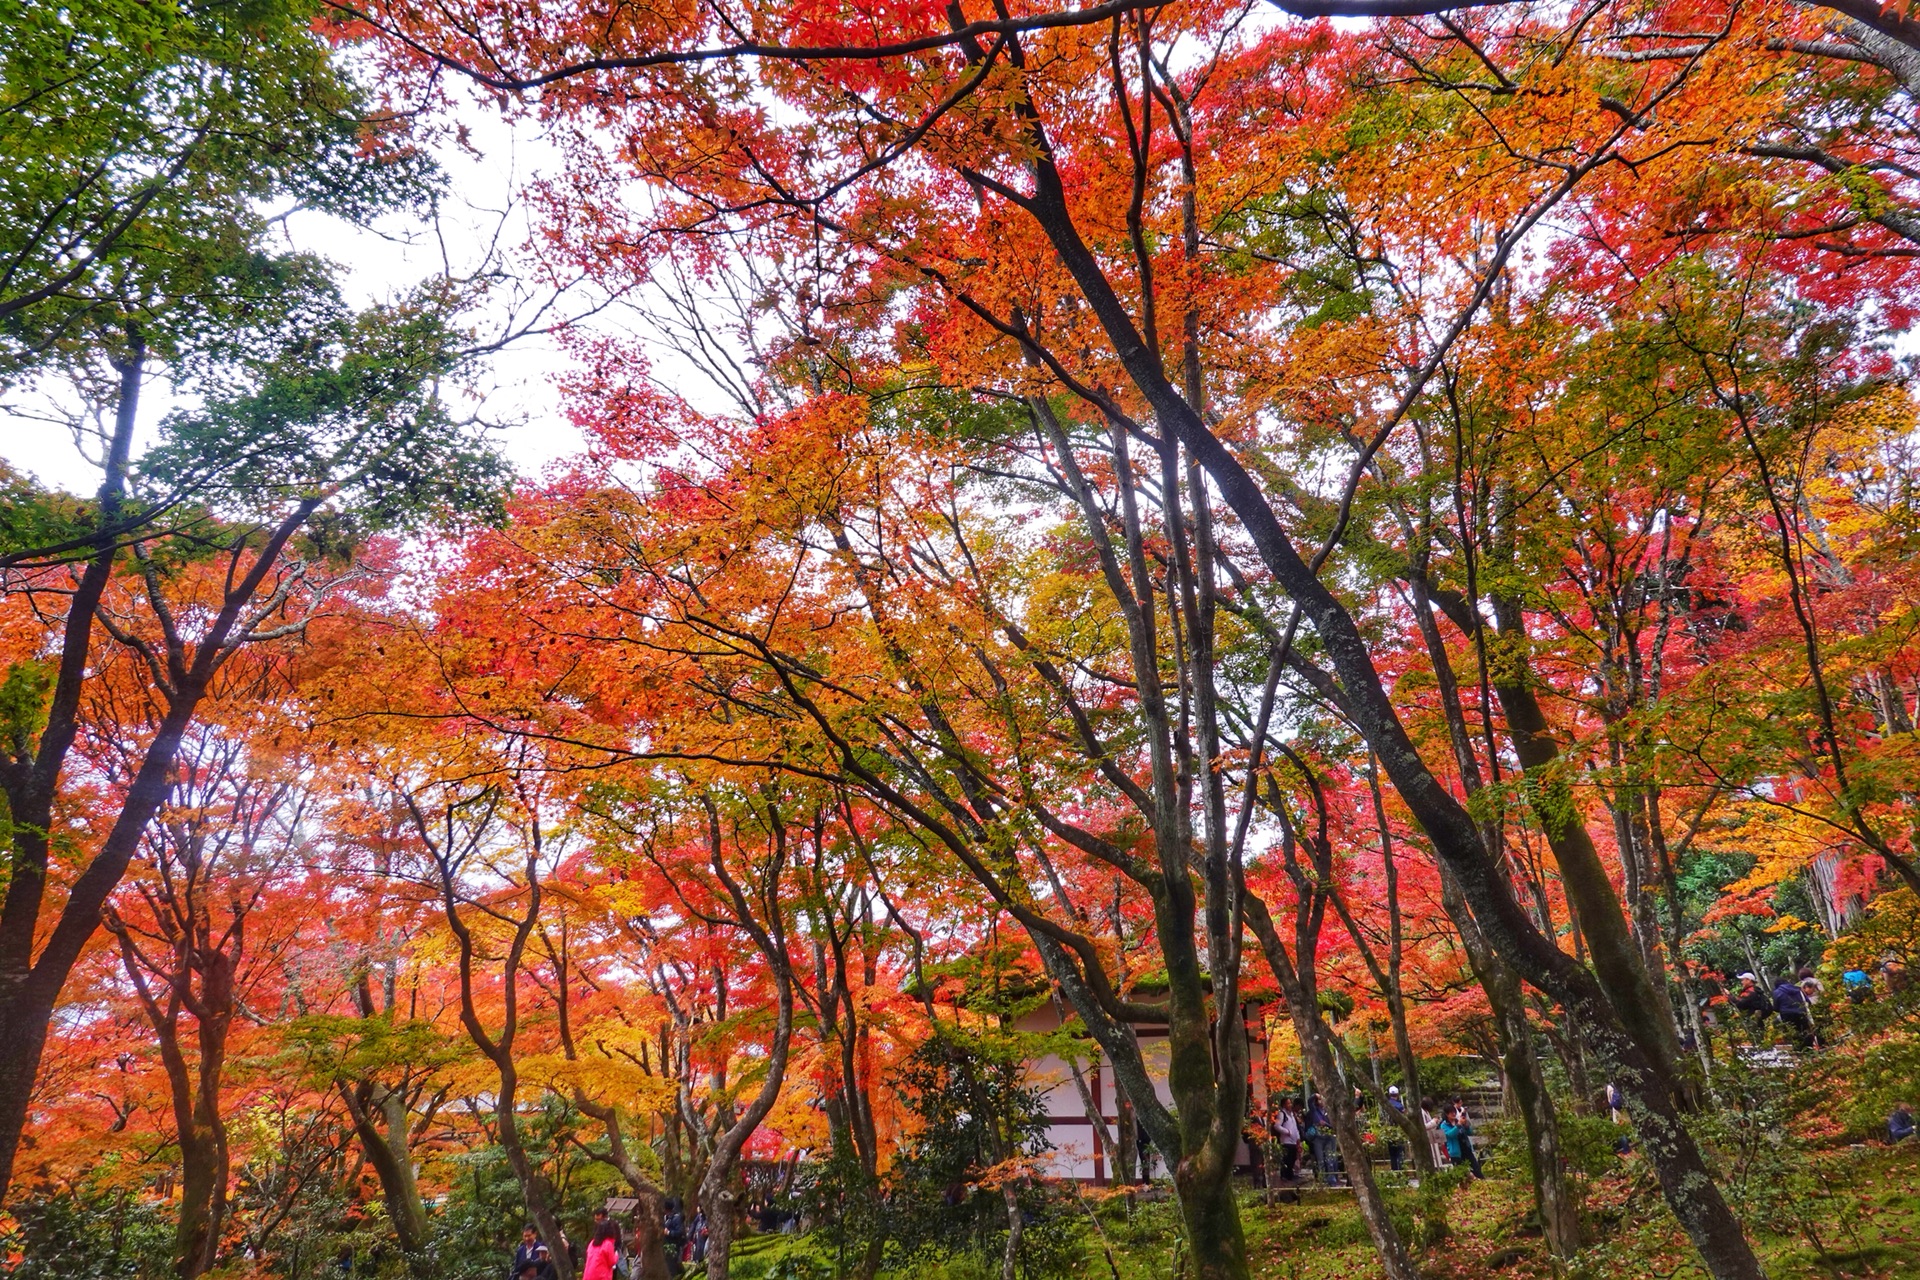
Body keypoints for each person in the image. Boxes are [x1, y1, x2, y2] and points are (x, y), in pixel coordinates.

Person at [1441, 1102, 1483, 1179]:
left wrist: (1466, 1126)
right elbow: (1450, 1135)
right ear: (1447, 1114)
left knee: (1476, 1169)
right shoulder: (1444, 1125)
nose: (1453, 1114)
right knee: (1462, 1174)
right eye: (1451, 1112)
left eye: (1454, 1112)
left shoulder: (1458, 1121)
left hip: (1466, 1149)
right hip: (1456, 1152)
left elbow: (1470, 1132)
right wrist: (1458, 1125)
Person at [1305, 1093, 1338, 1186]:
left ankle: (1332, 1179)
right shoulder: (1314, 1111)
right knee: (1320, 1160)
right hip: (1318, 1138)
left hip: (1328, 1137)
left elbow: (1334, 1125)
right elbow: (1309, 1101)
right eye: (1320, 1100)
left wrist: (1326, 1124)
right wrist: (1315, 1095)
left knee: (1330, 1159)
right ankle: (1322, 1180)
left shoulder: (1329, 1112)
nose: (1321, 1101)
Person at [1773, 975, 1816, 1047]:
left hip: (1787, 1015)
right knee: (1804, 1031)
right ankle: (1809, 1048)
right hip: (1801, 1012)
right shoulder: (1798, 989)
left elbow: (1776, 1007)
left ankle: (1798, 1049)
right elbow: (1807, 1002)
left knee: (1793, 1033)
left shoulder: (1777, 992)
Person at [1732, 973, 1774, 1038]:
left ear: (1748, 980)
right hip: (1757, 1019)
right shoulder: (1755, 990)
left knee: (1756, 1039)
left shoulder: (1750, 991)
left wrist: (1729, 996)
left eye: (1743, 980)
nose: (1741, 982)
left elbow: (1740, 1004)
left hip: (1752, 1020)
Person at [1272, 1097, 1301, 1181]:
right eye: (1288, 1103)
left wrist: (1298, 1138)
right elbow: (1277, 1126)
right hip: (1286, 1141)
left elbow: (1295, 1127)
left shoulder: (1292, 1114)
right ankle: (1284, 1175)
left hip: (1294, 1141)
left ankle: (1290, 1175)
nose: (1290, 1105)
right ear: (1284, 1105)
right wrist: (1287, 1131)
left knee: (1292, 1159)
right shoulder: (1282, 1114)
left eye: (1290, 1103)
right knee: (1286, 1159)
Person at [1384, 1085, 1408, 1172]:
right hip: (1398, 1131)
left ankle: (1394, 1171)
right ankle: (1401, 1171)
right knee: (1400, 1153)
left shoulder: (1385, 1105)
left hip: (1388, 1132)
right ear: (1397, 1094)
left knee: (1392, 1154)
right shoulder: (1400, 1106)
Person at [1422, 1106, 1446, 1171]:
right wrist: (1433, 1122)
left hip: (1432, 1135)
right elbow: (1424, 1126)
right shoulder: (1421, 1112)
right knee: (1432, 1155)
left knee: (1436, 1154)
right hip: (1428, 1136)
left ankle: (1438, 1167)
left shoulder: (1426, 1112)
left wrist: (1435, 1122)